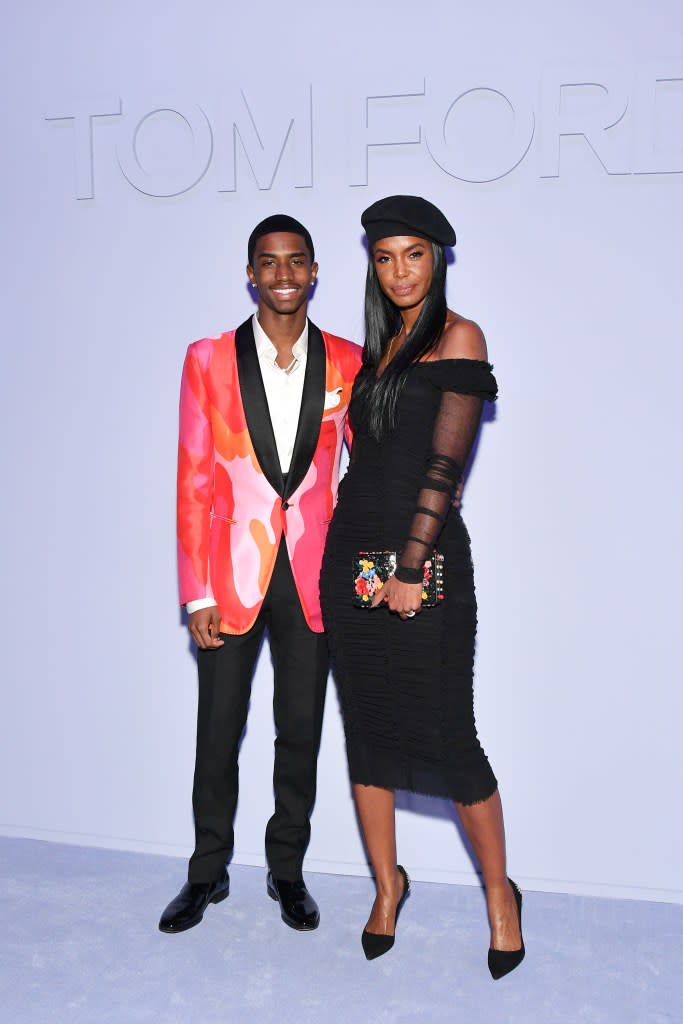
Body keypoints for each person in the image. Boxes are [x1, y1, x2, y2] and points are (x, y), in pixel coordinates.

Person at [319, 195, 524, 978]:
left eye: (414, 253)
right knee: (367, 730)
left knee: (447, 735)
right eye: (384, 256)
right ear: (371, 264)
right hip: (352, 556)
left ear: (438, 257)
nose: (399, 271)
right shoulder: (382, 348)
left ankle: (499, 896)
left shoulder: (456, 336)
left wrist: (409, 568)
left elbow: (445, 466)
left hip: (421, 558)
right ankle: (385, 887)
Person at [159, 215, 361, 935]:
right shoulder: (208, 359)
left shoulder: (347, 361)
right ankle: (206, 873)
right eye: (268, 262)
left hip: (312, 576)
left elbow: (361, 471)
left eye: (295, 261)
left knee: (299, 729)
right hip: (230, 576)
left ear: (313, 272)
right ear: (251, 273)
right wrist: (196, 592)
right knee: (218, 729)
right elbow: (194, 479)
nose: (282, 274)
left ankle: (286, 871)